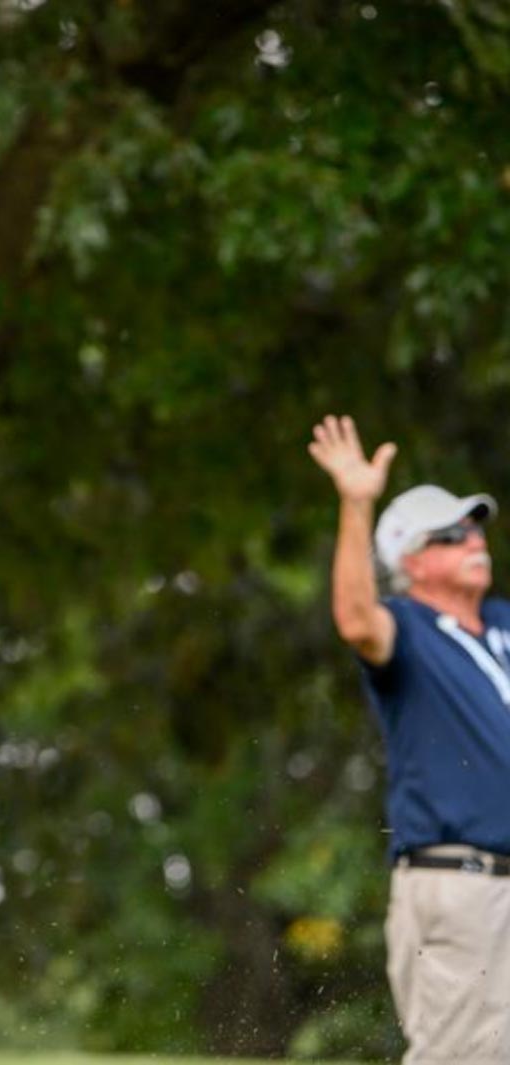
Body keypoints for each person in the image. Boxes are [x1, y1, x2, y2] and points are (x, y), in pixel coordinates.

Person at [308, 414, 510, 1062]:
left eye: (475, 528)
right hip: (462, 885)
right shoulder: (407, 628)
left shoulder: (502, 625)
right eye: (452, 534)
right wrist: (356, 503)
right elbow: (354, 617)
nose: (474, 539)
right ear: (411, 560)